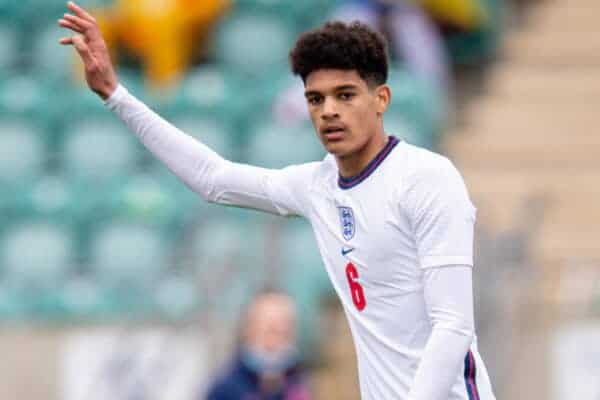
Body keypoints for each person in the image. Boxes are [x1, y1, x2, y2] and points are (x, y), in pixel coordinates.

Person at [59, 2, 496, 399]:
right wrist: (116, 95)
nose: (328, 111)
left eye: (345, 95)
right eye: (315, 99)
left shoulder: (428, 179)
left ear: (381, 99)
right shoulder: (317, 185)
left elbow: (453, 327)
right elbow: (213, 178)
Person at [205, 289, 312, 400]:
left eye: (283, 329)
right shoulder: (225, 388)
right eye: (269, 329)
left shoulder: (301, 385)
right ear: (249, 329)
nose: (274, 341)